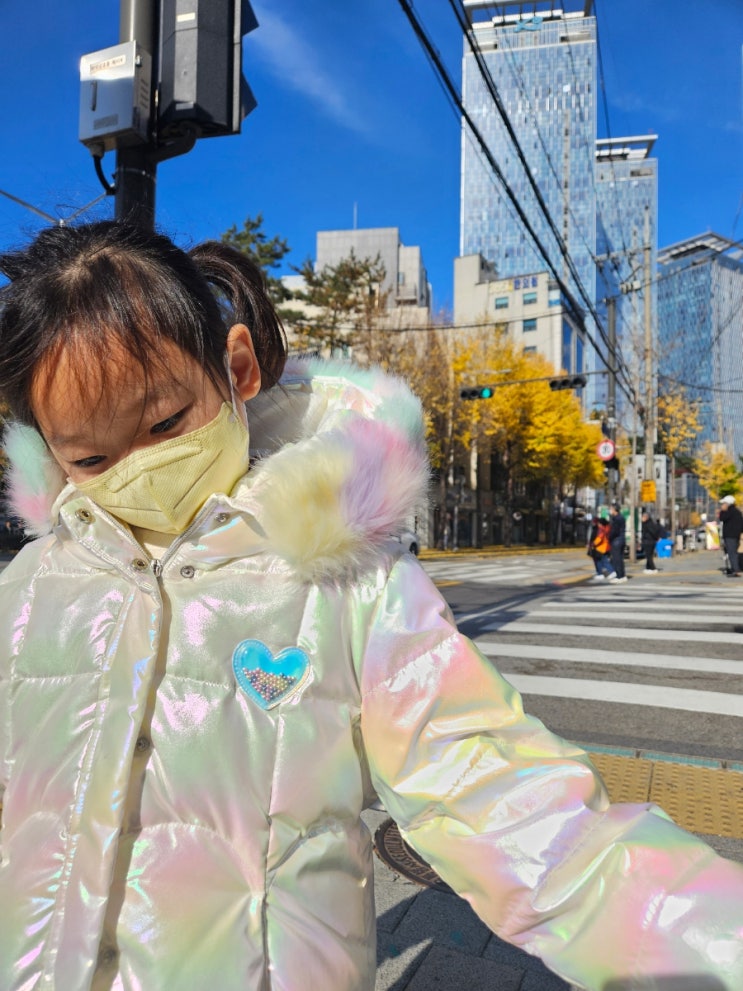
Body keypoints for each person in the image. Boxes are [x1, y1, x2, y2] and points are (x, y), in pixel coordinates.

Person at [1, 221, 742, 991]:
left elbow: (501, 797)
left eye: (164, 423)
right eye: (90, 456)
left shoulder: (344, 576)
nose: (140, 469)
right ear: (48, 449)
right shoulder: (24, 591)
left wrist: (709, 943)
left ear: (237, 369)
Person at [586, 511, 614, 580]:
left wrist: (592, 544)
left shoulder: (601, 529)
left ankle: (610, 572)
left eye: (598, 523)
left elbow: (599, 538)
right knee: (601, 560)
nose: (597, 524)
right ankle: (600, 573)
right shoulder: (607, 528)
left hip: (601, 548)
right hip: (603, 547)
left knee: (603, 561)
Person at [719, 494, 742, 576]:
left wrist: (722, 511)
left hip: (730, 535)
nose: (722, 505)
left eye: (724, 503)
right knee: (733, 552)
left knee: (731, 553)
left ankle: (735, 570)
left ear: (727, 504)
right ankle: (735, 568)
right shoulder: (737, 512)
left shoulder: (729, 511)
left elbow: (722, 518)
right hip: (736, 535)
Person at [607, 501, 627, 583]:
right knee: (619, 559)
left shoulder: (616, 519)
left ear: (615, 510)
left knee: (617, 559)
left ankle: (619, 576)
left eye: (611, 509)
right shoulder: (621, 517)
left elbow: (614, 531)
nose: (610, 510)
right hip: (621, 540)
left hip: (616, 541)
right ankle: (622, 575)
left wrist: (608, 537)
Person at [640, 508, 662, 573]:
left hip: (648, 541)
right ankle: (648, 567)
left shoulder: (648, 524)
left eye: (643, 517)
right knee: (648, 555)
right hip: (649, 541)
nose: (642, 518)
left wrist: (656, 538)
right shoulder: (648, 523)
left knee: (649, 555)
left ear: (646, 517)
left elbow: (652, 532)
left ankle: (653, 568)